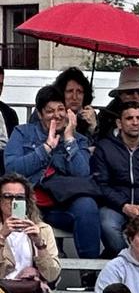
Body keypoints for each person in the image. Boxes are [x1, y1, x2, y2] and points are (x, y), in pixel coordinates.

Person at [4, 86, 102, 256]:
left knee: (88, 206)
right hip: (29, 202)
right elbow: (12, 168)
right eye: (49, 111)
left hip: (62, 204)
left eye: (61, 109)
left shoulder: (78, 139)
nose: (56, 115)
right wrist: (46, 147)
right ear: (40, 114)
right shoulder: (23, 133)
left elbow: (82, 173)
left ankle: (89, 273)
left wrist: (69, 139)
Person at [91, 98, 139, 253]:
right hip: (116, 207)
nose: (135, 122)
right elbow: (101, 184)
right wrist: (124, 206)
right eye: (129, 118)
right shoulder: (105, 148)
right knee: (107, 223)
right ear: (119, 123)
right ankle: (129, 260)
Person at [0, 172, 65, 293]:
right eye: (7, 197)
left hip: (31, 291)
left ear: (27, 201)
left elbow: (52, 275)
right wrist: (2, 236)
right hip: (1, 292)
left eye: (19, 198)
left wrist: (39, 244)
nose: (13, 202)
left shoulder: (43, 230)